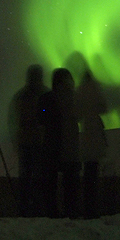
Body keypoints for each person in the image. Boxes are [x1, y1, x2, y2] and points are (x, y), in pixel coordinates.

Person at [38, 67, 80, 218]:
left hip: (52, 143)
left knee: (51, 182)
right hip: (69, 143)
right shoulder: (74, 98)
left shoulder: (46, 98)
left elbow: (40, 119)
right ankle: (70, 211)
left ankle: (52, 212)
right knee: (70, 181)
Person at [7, 64, 47, 216]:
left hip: (26, 141)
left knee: (26, 176)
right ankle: (37, 208)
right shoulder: (45, 94)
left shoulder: (20, 96)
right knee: (37, 176)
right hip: (38, 142)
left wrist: (15, 139)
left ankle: (24, 208)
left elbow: (12, 119)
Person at [76, 68, 108, 218]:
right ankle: (92, 208)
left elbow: (77, 113)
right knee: (93, 170)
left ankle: (87, 207)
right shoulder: (96, 88)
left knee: (88, 171)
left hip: (86, 132)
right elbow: (104, 107)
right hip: (95, 132)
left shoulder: (79, 90)